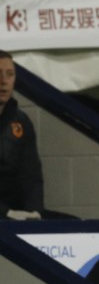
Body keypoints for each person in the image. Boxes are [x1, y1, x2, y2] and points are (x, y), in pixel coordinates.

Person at [0, 50, 44, 221]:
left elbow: (31, 173)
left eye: (9, 74)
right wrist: (6, 213)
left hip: (15, 211)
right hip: (6, 214)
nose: (3, 81)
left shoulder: (21, 122)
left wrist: (35, 212)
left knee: (73, 223)